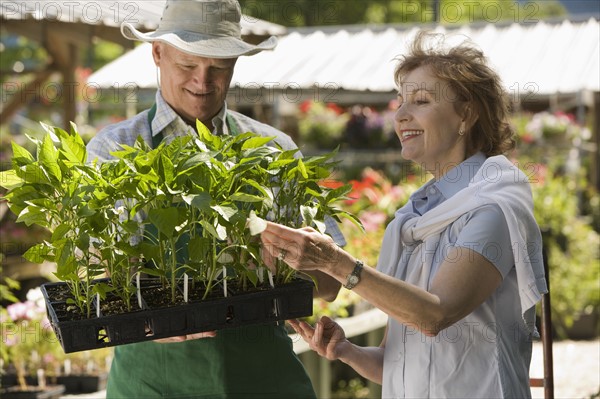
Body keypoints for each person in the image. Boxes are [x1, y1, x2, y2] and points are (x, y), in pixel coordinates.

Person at [260, 31, 547, 398]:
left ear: (467, 115)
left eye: (422, 101)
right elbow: (396, 362)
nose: (401, 116)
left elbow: (434, 316)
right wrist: (347, 351)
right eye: (401, 102)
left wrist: (334, 261)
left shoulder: (494, 208)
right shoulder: (414, 218)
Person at [86, 1, 344, 397]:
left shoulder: (275, 149)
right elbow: (96, 278)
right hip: (154, 382)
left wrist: (295, 265)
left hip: (263, 381)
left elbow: (329, 284)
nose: (203, 82)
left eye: (219, 67)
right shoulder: (115, 148)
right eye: (187, 65)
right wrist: (144, 319)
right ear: (157, 53)